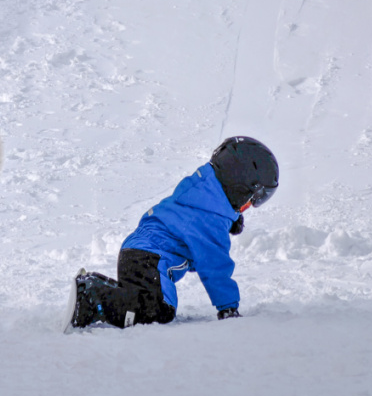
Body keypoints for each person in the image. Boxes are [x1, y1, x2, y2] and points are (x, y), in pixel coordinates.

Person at [66, 136, 279, 331]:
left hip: (138, 253)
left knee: (140, 300)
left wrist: (229, 219)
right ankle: (93, 295)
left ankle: (101, 290)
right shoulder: (208, 218)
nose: (246, 208)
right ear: (240, 185)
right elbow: (214, 266)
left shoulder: (199, 198)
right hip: (151, 260)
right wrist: (228, 307)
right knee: (157, 312)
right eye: (250, 200)